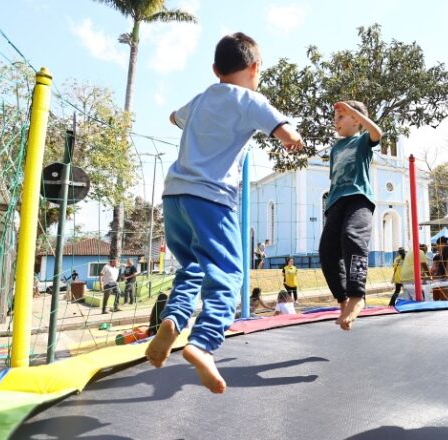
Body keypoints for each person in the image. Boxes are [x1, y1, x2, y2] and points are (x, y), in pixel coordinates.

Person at [144, 32, 304, 394]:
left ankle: (173, 319)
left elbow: (174, 116)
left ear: (215, 69)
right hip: (211, 199)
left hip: (174, 197)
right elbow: (284, 131)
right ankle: (203, 342)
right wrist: (293, 139)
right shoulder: (251, 99)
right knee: (230, 273)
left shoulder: (202, 98)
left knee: (192, 268)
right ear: (255, 67)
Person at [317, 100, 382, 331]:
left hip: (358, 198)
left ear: (356, 120)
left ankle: (357, 295)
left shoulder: (363, 140)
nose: (336, 123)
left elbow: (377, 132)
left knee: (352, 236)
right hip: (336, 202)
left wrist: (356, 112)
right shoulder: (335, 149)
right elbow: (334, 180)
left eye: (340, 118)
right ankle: (342, 298)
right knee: (326, 251)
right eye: (335, 119)